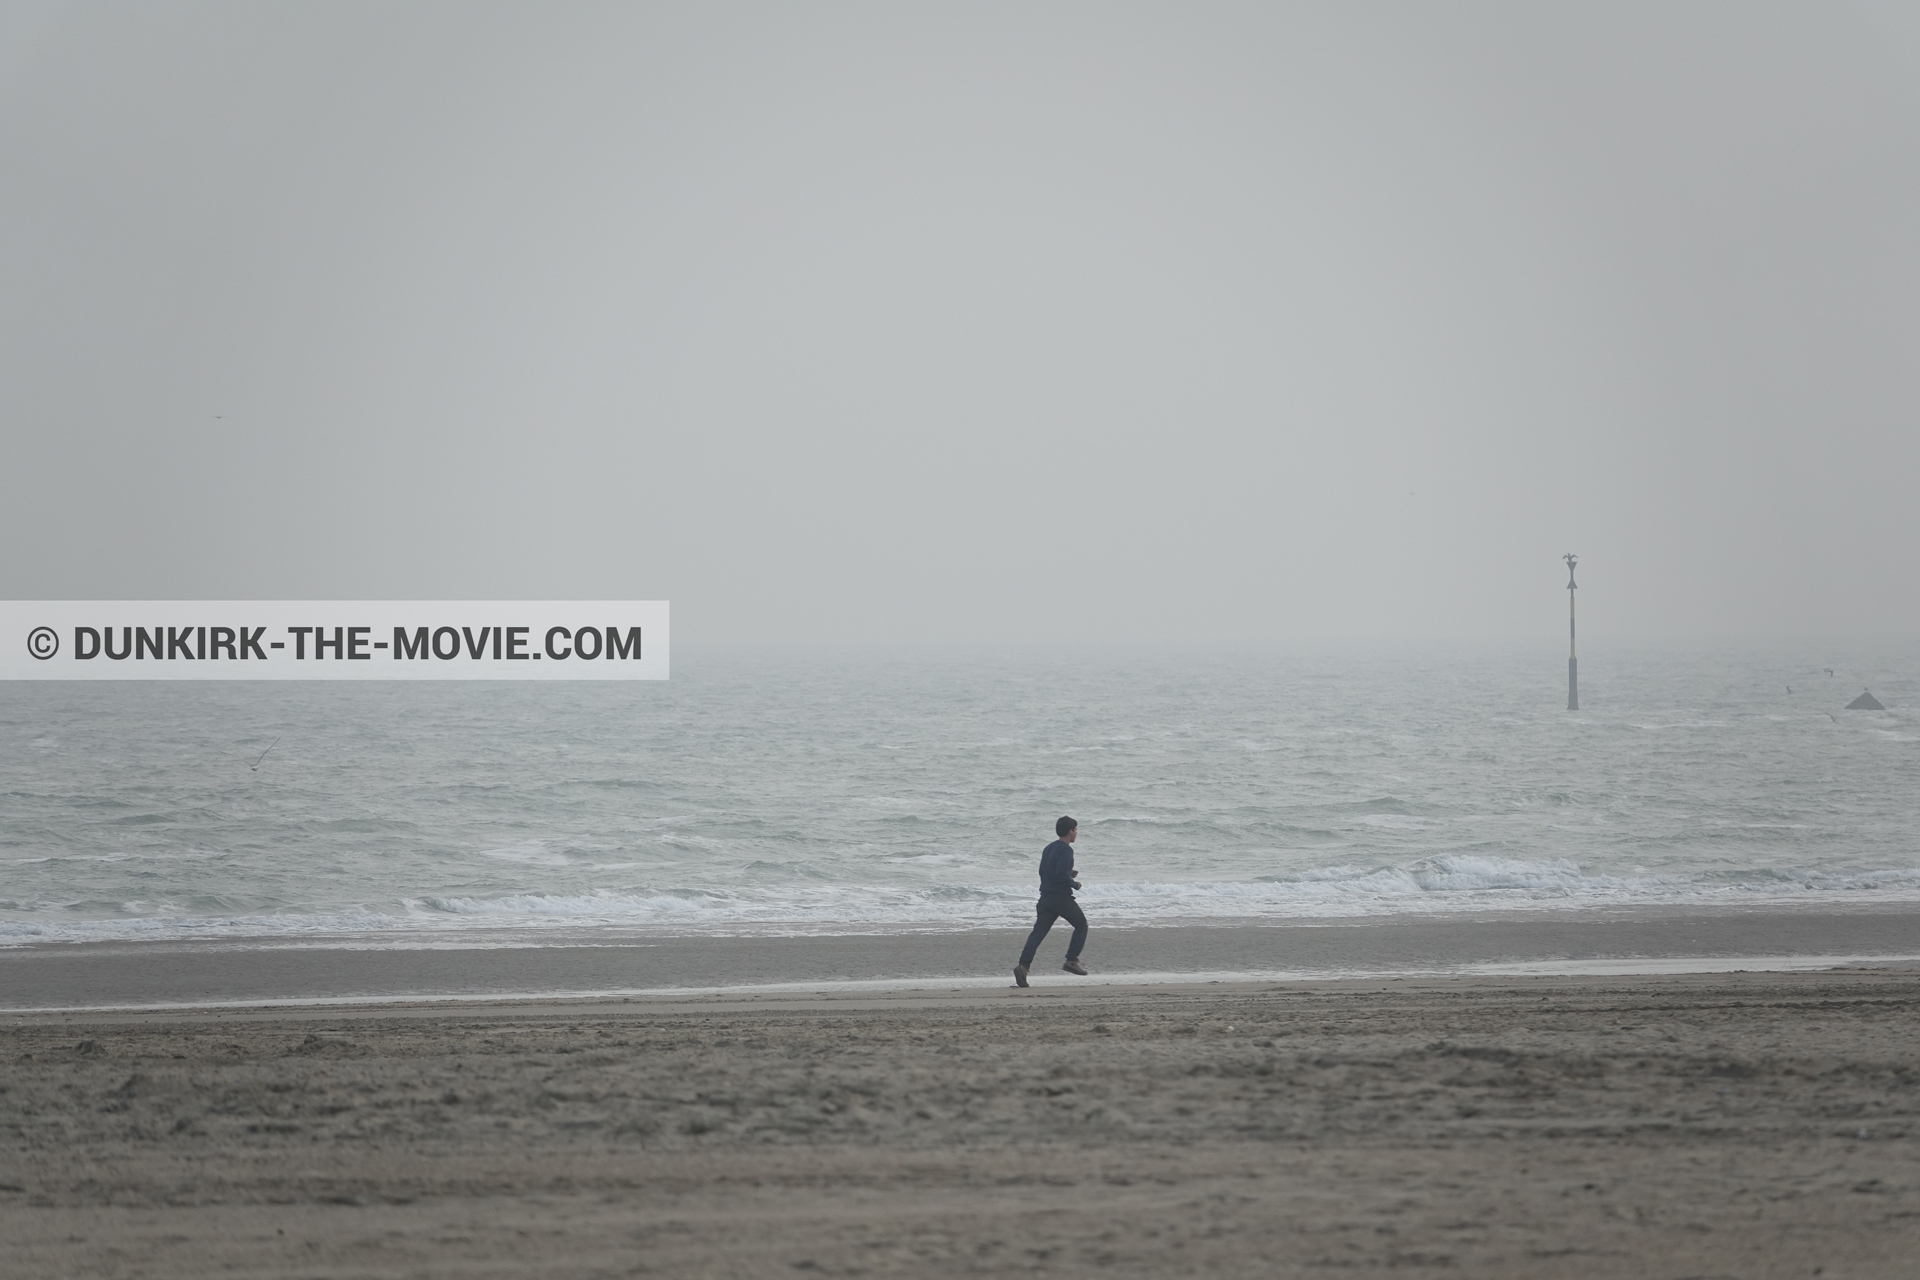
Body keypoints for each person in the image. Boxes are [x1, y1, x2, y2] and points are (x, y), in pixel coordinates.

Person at [1013, 816, 1088, 987]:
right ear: (1070, 831)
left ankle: (1023, 967)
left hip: (1045, 898)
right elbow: (1060, 875)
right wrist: (1073, 883)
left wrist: (1068, 874)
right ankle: (1071, 960)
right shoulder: (1067, 850)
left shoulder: (1048, 848)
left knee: (1037, 934)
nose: (1076, 833)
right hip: (1060, 898)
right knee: (1081, 925)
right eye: (1075, 830)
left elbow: (1045, 871)